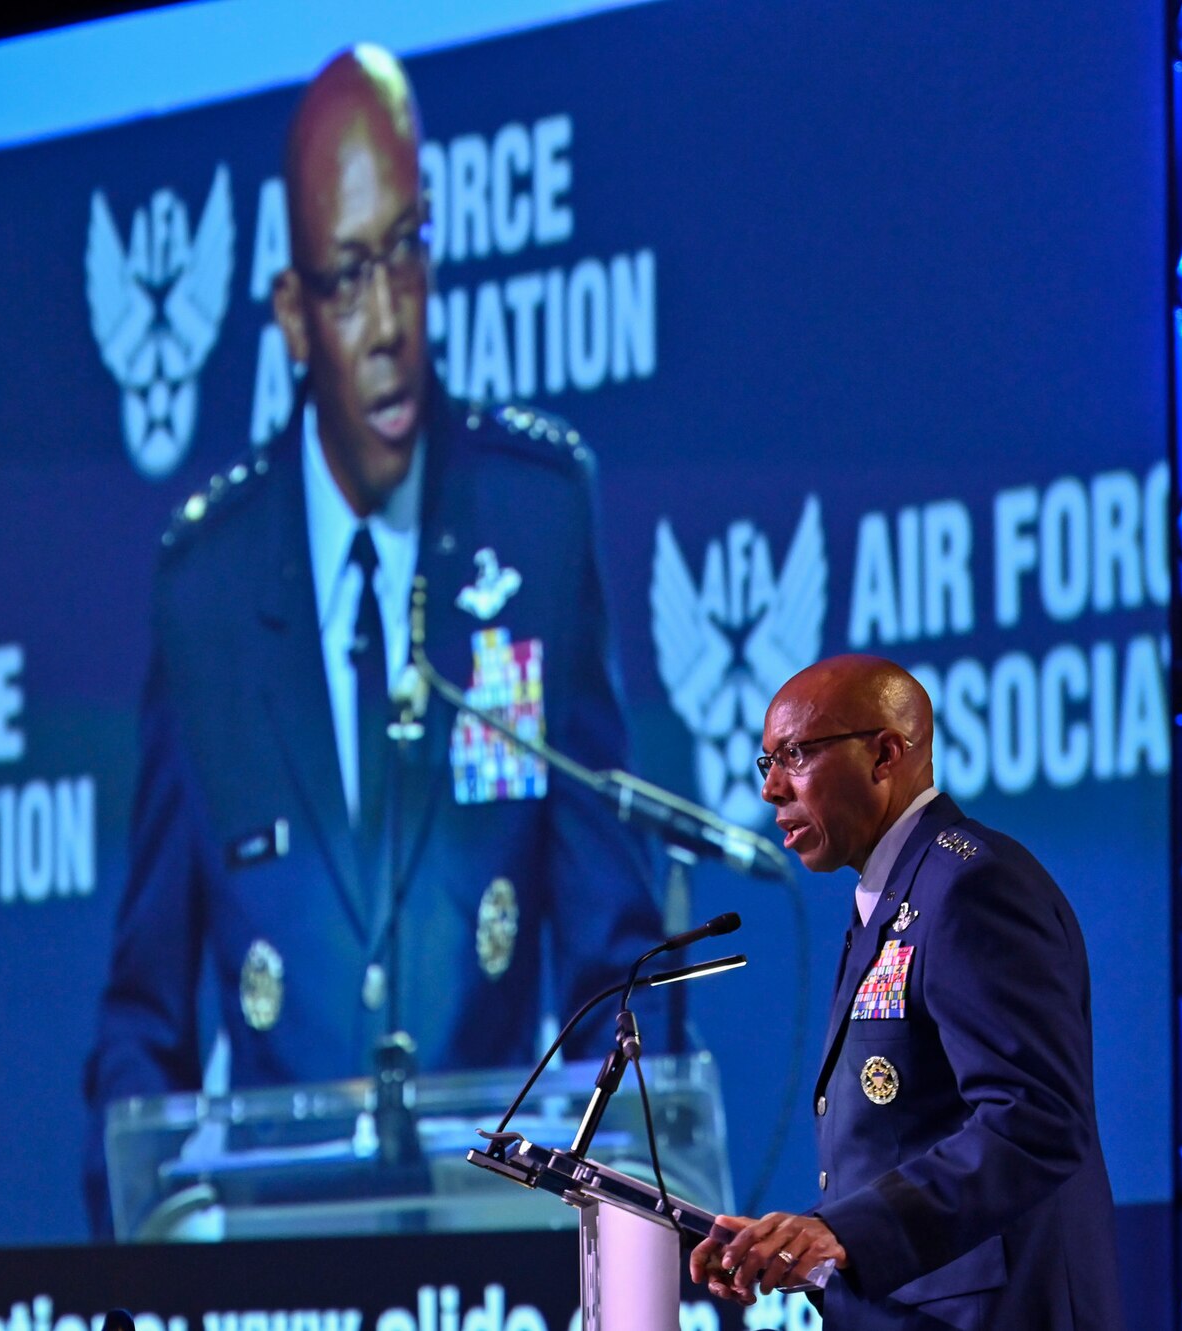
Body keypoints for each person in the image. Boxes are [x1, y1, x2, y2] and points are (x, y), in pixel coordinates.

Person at [82, 46, 663, 1234]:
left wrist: (616, 1220)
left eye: (406, 248)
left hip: (498, 1269)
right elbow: (142, 1019)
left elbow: (613, 953)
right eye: (348, 277)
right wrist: (165, 1242)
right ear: (293, 315)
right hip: (279, 1274)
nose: (390, 319)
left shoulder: (532, 515)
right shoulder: (205, 585)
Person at [690, 656, 1123, 1329]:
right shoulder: (891, 897)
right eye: (766, 761)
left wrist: (849, 1230)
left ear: (884, 754)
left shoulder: (971, 887)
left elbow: (1037, 1117)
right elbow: (907, 1140)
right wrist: (802, 1242)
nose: (773, 787)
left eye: (795, 754)